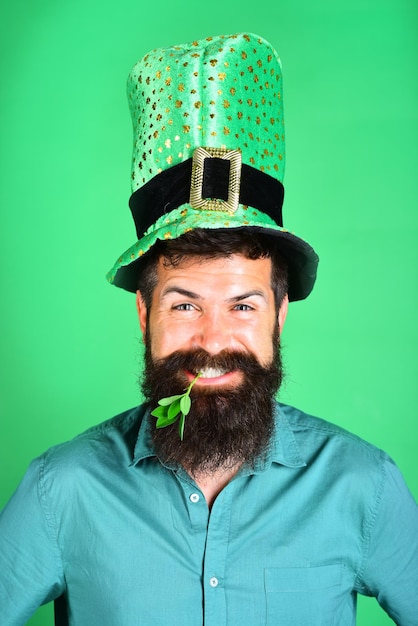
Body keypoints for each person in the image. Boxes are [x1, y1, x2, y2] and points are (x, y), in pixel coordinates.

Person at [1, 32, 417, 626]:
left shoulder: (363, 486)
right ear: (145, 315)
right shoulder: (59, 491)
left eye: (243, 306)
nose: (213, 341)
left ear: (281, 313)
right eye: (184, 305)